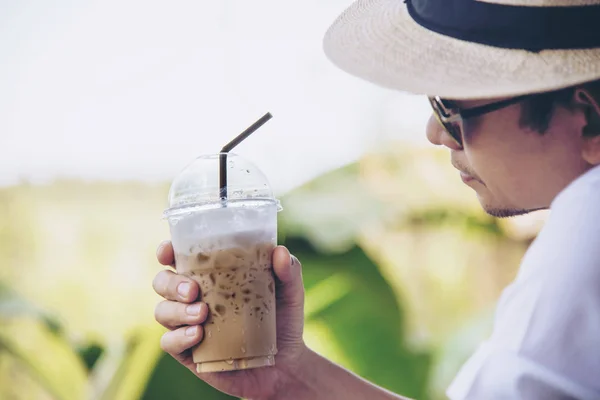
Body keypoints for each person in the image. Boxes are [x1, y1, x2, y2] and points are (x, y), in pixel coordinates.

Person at [152, 0, 600, 398]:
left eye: (452, 106)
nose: (435, 132)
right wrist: (286, 377)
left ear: (587, 117)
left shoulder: (587, 228)